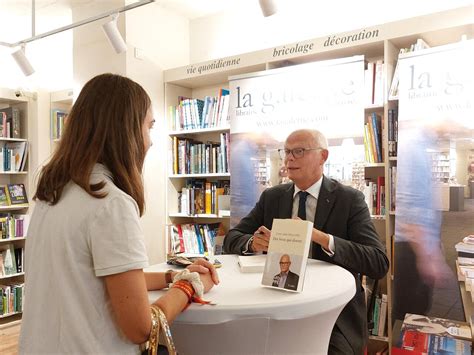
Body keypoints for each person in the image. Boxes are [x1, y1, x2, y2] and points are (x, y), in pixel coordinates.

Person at [19, 73, 219, 354]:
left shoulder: (50, 195)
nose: (150, 141)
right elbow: (140, 327)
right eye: (149, 127)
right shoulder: (111, 204)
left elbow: (98, 278)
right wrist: (190, 286)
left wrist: (170, 277)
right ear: (127, 130)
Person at [224, 129, 389, 354]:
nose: (289, 158)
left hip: (333, 313)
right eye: (287, 151)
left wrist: (319, 237)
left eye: (299, 151)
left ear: (323, 156)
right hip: (275, 304)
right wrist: (253, 243)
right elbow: (231, 239)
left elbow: (378, 262)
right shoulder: (272, 197)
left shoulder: (349, 200)